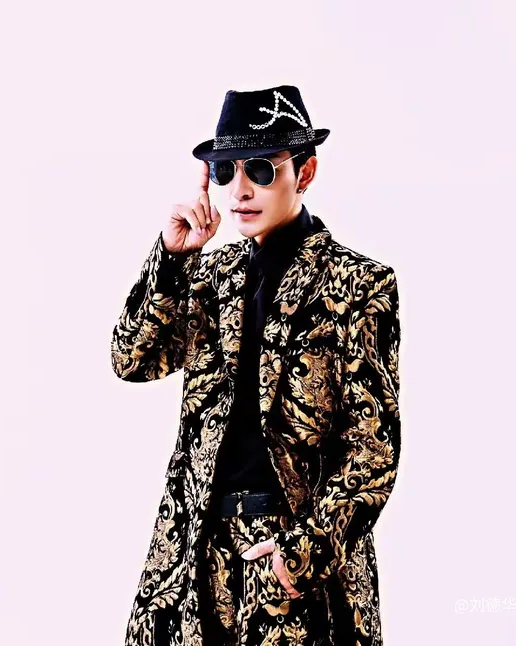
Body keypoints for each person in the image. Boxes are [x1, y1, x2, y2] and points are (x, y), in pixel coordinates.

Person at [111, 84, 402, 646]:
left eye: (262, 170)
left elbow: (373, 449)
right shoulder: (210, 275)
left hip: (294, 566)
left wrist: (302, 554)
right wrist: (173, 258)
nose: (240, 190)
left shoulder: (358, 284)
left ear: (305, 171)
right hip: (192, 560)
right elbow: (133, 359)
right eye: (226, 171)